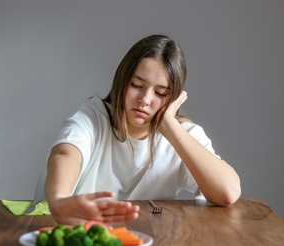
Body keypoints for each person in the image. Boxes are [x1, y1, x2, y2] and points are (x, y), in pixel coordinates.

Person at [44, 34, 241, 225]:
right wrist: (59, 199)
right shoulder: (93, 116)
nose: (145, 100)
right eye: (137, 85)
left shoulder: (182, 134)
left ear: (173, 98)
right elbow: (65, 153)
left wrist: (171, 128)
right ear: (122, 80)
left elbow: (228, 192)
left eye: (160, 92)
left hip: (150, 243)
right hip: (83, 234)